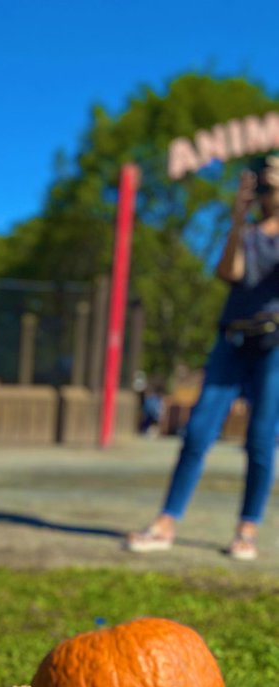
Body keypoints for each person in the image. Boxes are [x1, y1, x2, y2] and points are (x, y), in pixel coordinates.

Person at [126, 155, 279, 561]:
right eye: (268, 174)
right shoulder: (247, 233)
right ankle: (166, 522)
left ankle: (247, 529)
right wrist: (237, 218)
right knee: (197, 434)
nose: (271, 178)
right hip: (231, 341)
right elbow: (230, 272)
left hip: (274, 345)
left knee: (261, 441)